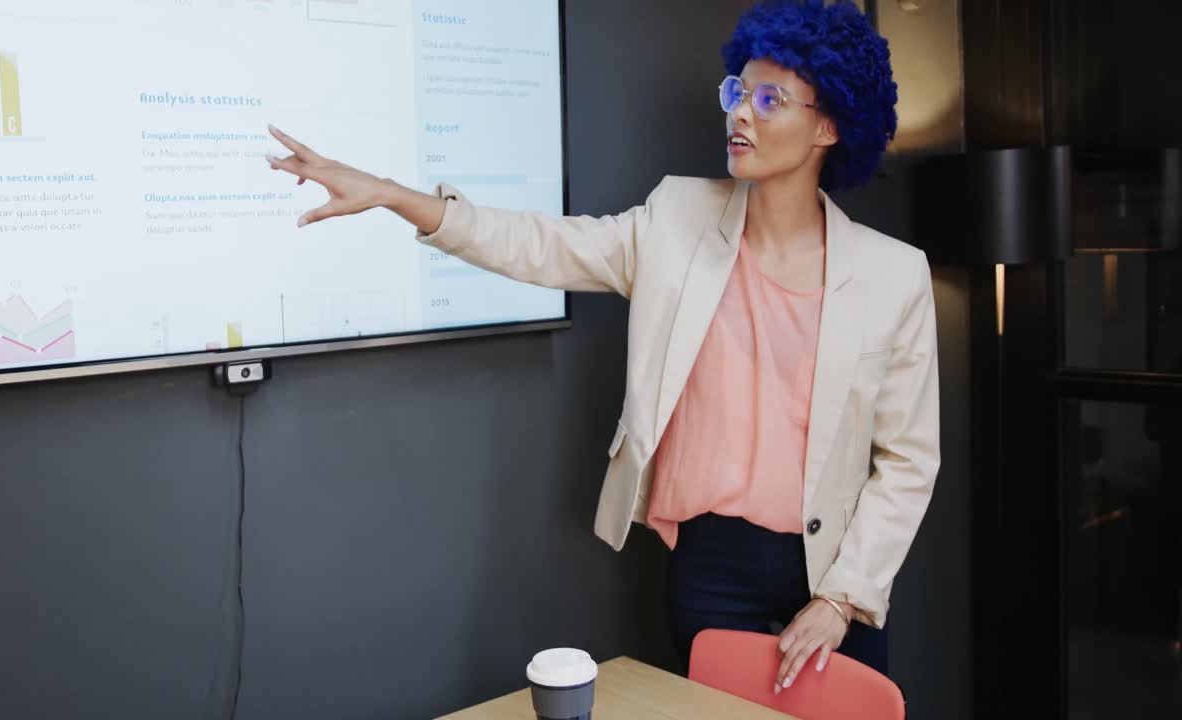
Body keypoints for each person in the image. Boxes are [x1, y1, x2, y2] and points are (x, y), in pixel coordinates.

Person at [264, 0, 939, 695]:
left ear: (829, 124)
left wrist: (839, 598)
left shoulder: (894, 275)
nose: (740, 112)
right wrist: (391, 195)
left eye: (770, 99)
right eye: (738, 90)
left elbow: (909, 460)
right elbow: (542, 247)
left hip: (837, 565)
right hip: (712, 565)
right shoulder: (676, 221)